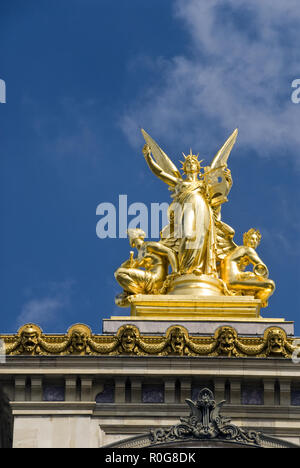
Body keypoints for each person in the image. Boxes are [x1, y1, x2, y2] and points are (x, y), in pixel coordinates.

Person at [114, 228, 177, 306]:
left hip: (156, 278)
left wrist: (175, 272)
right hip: (150, 279)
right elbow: (128, 267)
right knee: (119, 299)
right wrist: (128, 264)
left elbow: (169, 252)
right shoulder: (138, 256)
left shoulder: (149, 245)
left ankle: (140, 293)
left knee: (119, 273)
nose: (130, 238)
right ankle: (139, 293)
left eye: (131, 236)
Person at [220, 228, 275, 307]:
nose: (254, 241)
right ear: (246, 239)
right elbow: (262, 268)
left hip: (228, 280)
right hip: (233, 281)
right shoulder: (247, 250)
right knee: (269, 285)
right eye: (252, 239)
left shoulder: (236, 250)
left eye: (256, 240)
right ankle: (251, 306)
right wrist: (256, 276)